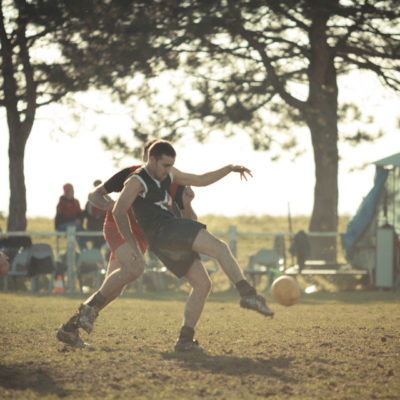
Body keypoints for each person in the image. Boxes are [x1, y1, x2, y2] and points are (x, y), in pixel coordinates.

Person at [59, 140, 274, 353]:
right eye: (165, 164)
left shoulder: (171, 177)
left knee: (201, 284)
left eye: (171, 165)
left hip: (159, 236)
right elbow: (115, 210)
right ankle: (248, 294)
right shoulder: (135, 178)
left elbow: (200, 183)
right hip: (142, 230)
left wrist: (228, 169)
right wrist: (127, 236)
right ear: (150, 159)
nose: (169, 169)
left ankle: (184, 340)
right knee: (216, 248)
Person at [57, 140, 196, 348]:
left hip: (140, 237)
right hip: (118, 228)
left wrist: (188, 202)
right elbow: (94, 195)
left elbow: (190, 222)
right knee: (136, 267)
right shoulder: (132, 174)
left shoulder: (173, 180)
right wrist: (110, 205)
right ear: (147, 159)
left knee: (116, 287)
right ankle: (87, 311)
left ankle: (70, 328)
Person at [55, 183, 87, 251]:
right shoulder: (62, 202)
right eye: (69, 191)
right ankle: (86, 238)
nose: (71, 192)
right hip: (61, 226)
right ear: (65, 192)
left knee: (78, 232)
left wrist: (79, 219)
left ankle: (85, 253)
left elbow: (80, 214)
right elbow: (60, 218)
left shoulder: (76, 202)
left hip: (75, 226)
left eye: (72, 190)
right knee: (77, 227)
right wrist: (74, 220)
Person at [83, 180, 106, 249]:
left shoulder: (107, 199)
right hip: (93, 226)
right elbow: (88, 214)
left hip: (104, 225)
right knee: (96, 241)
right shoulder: (90, 201)